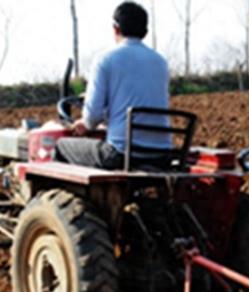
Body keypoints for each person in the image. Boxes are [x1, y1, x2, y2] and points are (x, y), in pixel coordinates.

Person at [56, 1, 171, 169]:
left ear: (115, 29)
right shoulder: (161, 62)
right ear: (145, 32)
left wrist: (85, 123)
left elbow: (92, 116)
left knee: (61, 146)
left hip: (121, 154)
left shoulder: (105, 59)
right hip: (161, 155)